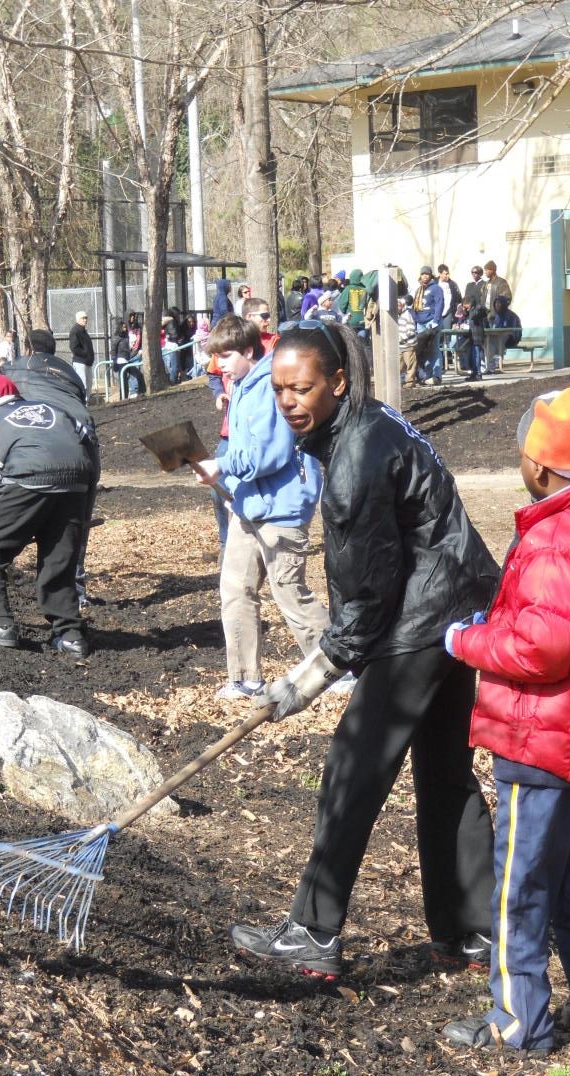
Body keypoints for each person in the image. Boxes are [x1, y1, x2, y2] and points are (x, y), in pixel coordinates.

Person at [228, 321, 499, 980]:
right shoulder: (371, 423)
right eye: (281, 389)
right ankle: (473, 935)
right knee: (445, 775)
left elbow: (368, 600)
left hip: (420, 624)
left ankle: (314, 934)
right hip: (462, 607)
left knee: (352, 770)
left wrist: (309, 676)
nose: (290, 401)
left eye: (304, 388)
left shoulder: (355, 461)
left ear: (337, 382)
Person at [441, 388, 570, 1056]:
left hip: (540, 739)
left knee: (520, 882)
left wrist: (466, 642)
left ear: (540, 465)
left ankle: (516, 1021)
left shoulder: (556, 538)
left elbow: (541, 649)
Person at [197, 315, 331, 701]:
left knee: (289, 590)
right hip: (248, 505)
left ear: (249, 351)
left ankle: (336, 670)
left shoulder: (271, 387)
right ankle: (245, 678)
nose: (219, 364)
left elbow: (269, 454)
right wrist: (225, 480)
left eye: (225, 356)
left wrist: (223, 464)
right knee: (235, 589)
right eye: (216, 357)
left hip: (281, 508)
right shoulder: (238, 386)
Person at [0, 371, 98, 658]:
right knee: (58, 557)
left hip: (29, 479)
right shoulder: (53, 409)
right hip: (77, 480)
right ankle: (70, 634)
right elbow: (87, 445)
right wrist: (84, 509)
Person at [412, 265, 445, 384]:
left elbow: (439, 304)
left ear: (431, 276)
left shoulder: (436, 288)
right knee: (423, 350)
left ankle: (436, 376)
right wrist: (415, 320)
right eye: (423, 274)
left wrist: (436, 321)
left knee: (433, 349)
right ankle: (426, 376)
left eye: (427, 274)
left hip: (432, 322)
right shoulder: (419, 290)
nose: (425, 276)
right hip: (420, 323)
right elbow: (414, 307)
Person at [488, 295, 523, 371]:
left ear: (503, 304)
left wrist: (511, 335)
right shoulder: (496, 316)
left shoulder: (511, 316)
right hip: (498, 339)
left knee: (501, 338)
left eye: (499, 303)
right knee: (488, 341)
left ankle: (497, 360)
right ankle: (489, 363)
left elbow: (515, 331)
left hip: (511, 339)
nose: (497, 305)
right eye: (496, 303)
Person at [69, 311, 95, 398]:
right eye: (83, 318)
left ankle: (86, 403)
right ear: (78, 319)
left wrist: (89, 357)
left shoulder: (83, 331)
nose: (85, 320)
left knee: (89, 383)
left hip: (87, 362)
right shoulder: (75, 331)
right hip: (80, 362)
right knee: (83, 384)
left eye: (86, 318)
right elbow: (74, 347)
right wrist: (85, 354)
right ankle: (81, 403)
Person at [336, 269, 368, 336]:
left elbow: (342, 304)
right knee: (362, 341)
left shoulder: (348, 288)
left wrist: (345, 312)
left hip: (351, 320)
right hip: (363, 321)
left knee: (352, 342)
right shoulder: (365, 288)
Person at [397, 295, 418, 383]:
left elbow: (411, 331)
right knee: (399, 364)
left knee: (410, 364)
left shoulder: (407, 316)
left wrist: (402, 338)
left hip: (408, 345)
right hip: (400, 345)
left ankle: (410, 381)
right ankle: (400, 380)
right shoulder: (399, 316)